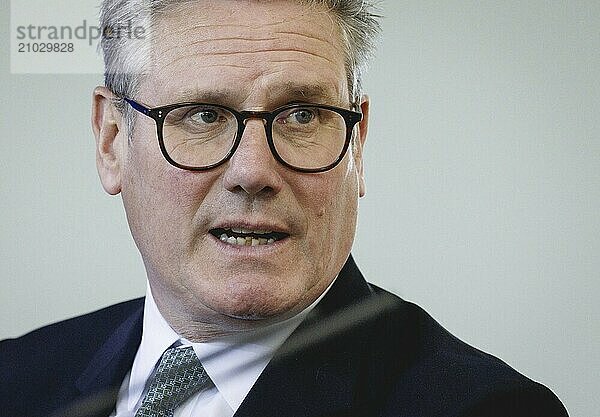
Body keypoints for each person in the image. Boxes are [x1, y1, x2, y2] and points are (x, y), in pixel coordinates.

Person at [0, 1, 569, 416]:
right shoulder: (13, 379)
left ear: (358, 144)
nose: (253, 172)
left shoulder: (488, 407)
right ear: (112, 141)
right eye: (203, 115)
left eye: (301, 115)